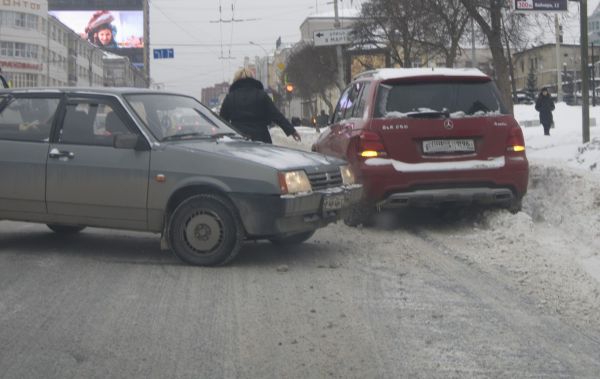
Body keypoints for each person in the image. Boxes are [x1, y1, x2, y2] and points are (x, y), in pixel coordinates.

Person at [219, 68, 301, 144]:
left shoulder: (230, 97)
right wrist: (291, 131)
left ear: (235, 80)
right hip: (261, 138)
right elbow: (276, 115)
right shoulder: (261, 95)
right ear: (252, 79)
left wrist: (219, 136)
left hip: (238, 139)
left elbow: (221, 120)